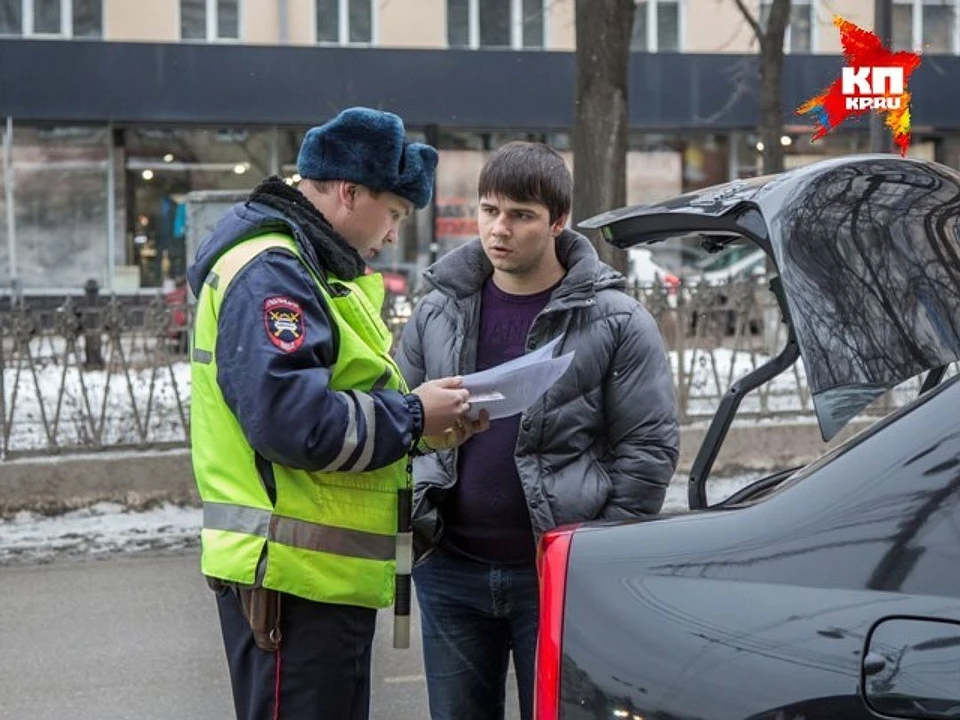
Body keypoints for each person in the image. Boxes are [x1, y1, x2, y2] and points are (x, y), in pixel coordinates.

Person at [187, 107, 486, 720]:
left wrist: (427, 428)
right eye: (396, 213)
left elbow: (348, 399)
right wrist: (411, 419)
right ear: (350, 192)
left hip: (318, 581)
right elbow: (292, 423)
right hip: (290, 587)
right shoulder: (274, 271)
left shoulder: (310, 270)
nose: (395, 233)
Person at [395, 141, 680, 720]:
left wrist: (593, 556)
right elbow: (401, 419)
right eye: (489, 210)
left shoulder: (615, 318)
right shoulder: (439, 309)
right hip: (449, 569)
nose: (499, 229)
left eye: (521, 215)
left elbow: (647, 450)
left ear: (558, 221)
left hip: (556, 576)